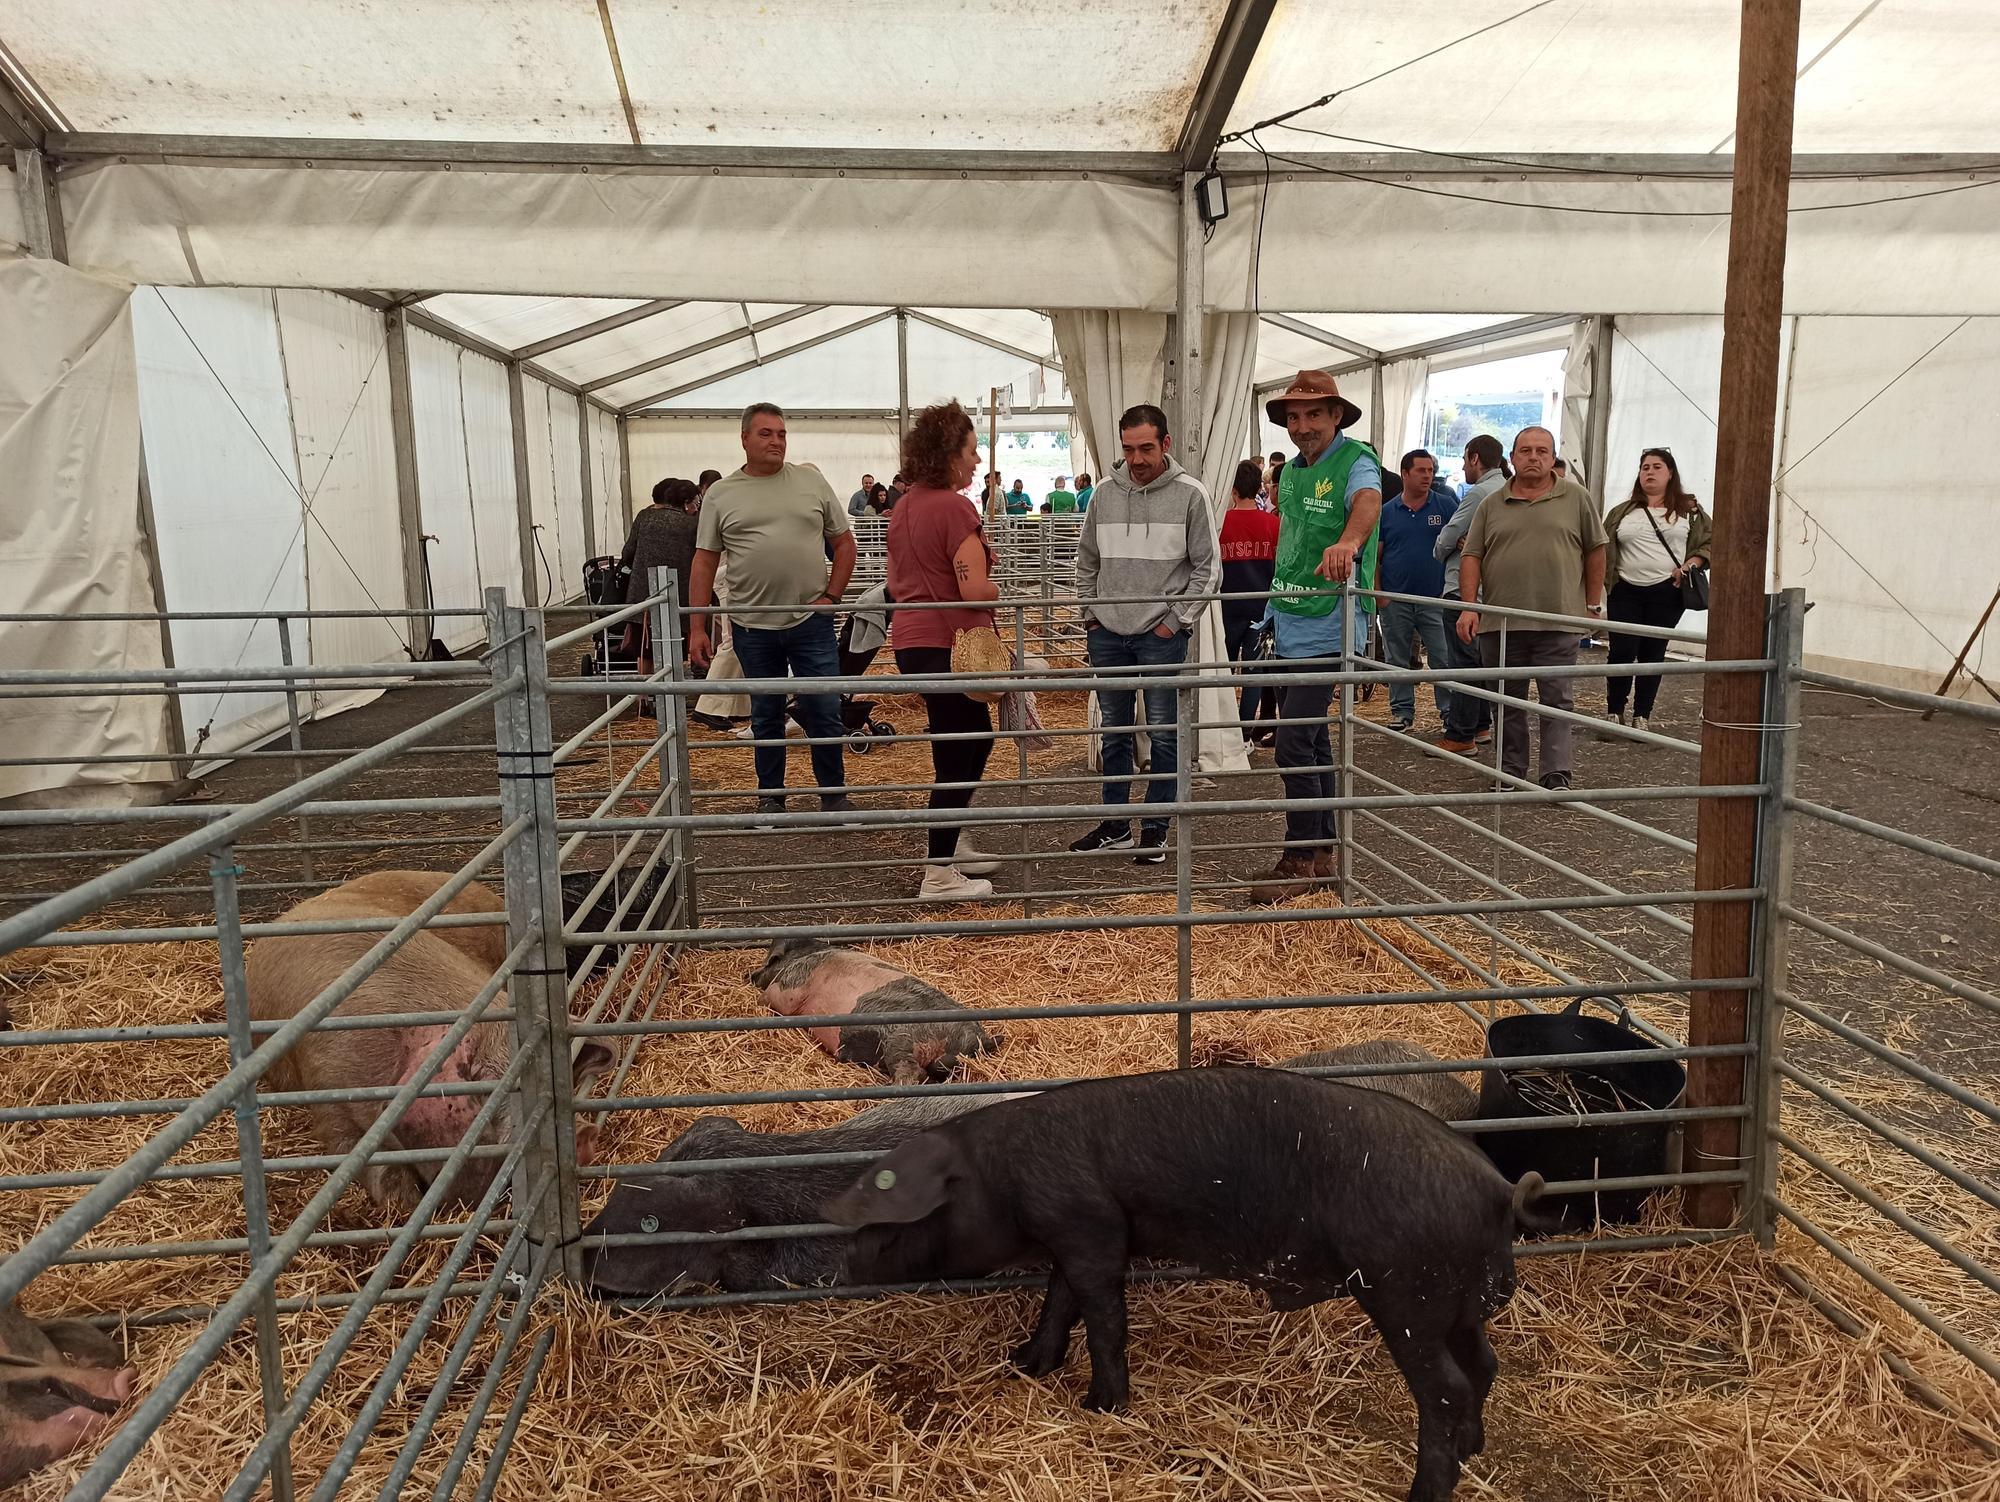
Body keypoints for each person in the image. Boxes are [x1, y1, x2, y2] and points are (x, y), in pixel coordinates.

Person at [1248, 370, 1383, 903]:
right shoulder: (1295, 473)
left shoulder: (1356, 461)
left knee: (1293, 742)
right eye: (1294, 417)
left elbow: (1368, 503)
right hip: (1290, 614)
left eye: (1313, 415)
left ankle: (1300, 854)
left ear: (1335, 417)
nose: (1302, 426)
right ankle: (1323, 852)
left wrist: (1349, 543)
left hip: (1330, 619)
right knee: (1314, 738)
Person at [687, 402, 857, 824]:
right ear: (744, 438)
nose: (776, 441)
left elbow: (844, 543)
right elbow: (704, 560)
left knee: (825, 709)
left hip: (811, 621)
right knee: (765, 712)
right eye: (765, 433)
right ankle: (771, 797)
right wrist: (697, 626)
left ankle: (833, 797)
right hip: (751, 624)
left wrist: (832, 597)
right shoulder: (722, 494)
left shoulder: (811, 482)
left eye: (781, 433)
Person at [1070, 404, 1220, 864]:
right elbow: (1086, 561)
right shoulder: (1102, 495)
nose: (1137, 459)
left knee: (1164, 734)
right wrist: (1091, 615)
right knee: (1113, 732)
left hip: (1160, 635)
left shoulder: (1191, 494)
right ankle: (1115, 824)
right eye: (1129, 449)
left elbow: (1208, 568)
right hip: (1108, 634)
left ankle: (1155, 828)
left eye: (1147, 448)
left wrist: (1173, 621)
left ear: (1166, 444)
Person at [883, 402, 1005, 902]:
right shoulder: (956, 508)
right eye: (971, 451)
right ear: (949, 454)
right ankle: (938, 874)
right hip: (952, 642)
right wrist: (1002, 590)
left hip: (916, 640)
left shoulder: (906, 504)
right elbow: (974, 589)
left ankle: (950, 846)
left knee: (965, 742)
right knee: (963, 750)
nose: (977, 461)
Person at [1454, 426, 1607, 791]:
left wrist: (1592, 604)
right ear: (1512, 458)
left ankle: (1556, 772)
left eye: (1542, 451)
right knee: (1506, 700)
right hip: (1501, 622)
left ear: (1553, 458)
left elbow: (1596, 549)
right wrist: (1469, 606)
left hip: (1557, 617)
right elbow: (1471, 554)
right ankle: (1510, 770)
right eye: (1525, 451)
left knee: (1557, 699)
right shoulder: (1491, 504)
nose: (1534, 457)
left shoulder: (1576, 497)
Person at [1600, 447, 1712, 733]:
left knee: (1653, 651)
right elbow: (1602, 545)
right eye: (1645, 467)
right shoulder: (1621, 512)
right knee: (1621, 651)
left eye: (1657, 467)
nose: (1649, 472)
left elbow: (1709, 543)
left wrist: (1690, 564)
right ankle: (1614, 712)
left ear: (1670, 473)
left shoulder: (1691, 513)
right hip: (1624, 589)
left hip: (1667, 591)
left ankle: (1642, 715)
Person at [1432, 435, 1508, 753]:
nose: (1463, 467)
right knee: (1479, 658)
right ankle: (1479, 726)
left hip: (1463, 589)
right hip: (1491, 591)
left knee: (1463, 662)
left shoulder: (1479, 492)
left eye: (1465, 460)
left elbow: (1449, 535)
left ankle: (1460, 734)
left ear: (1475, 458)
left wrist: (1442, 548)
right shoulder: (1507, 489)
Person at [1376, 450, 1459, 735]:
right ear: (1405, 474)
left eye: (1431, 470)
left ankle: (1449, 712)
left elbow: (1461, 544)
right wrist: (1380, 595)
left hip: (1434, 598)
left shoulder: (1446, 506)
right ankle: (1402, 712)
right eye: (1421, 470)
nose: (1428, 476)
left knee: (1442, 656)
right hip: (1395, 598)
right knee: (1396, 658)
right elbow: (1376, 556)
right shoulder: (1386, 511)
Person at [616, 476, 701, 692]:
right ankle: (672, 693)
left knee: (644, 647)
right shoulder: (691, 524)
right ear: (686, 502)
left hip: (643, 593)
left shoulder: (644, 517)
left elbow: (628, 553)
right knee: (674, 642)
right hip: (679, 594)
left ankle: (645, 697)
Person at [1219, 457, 1280, 739]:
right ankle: (1244, 732)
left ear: (1231, 489)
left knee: (1222, 669)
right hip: (1261, 606)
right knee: (1254, 672)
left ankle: (1223, 729)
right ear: (1259, 488)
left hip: (1227, 606)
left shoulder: (1219, 524)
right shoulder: (1272, 524)